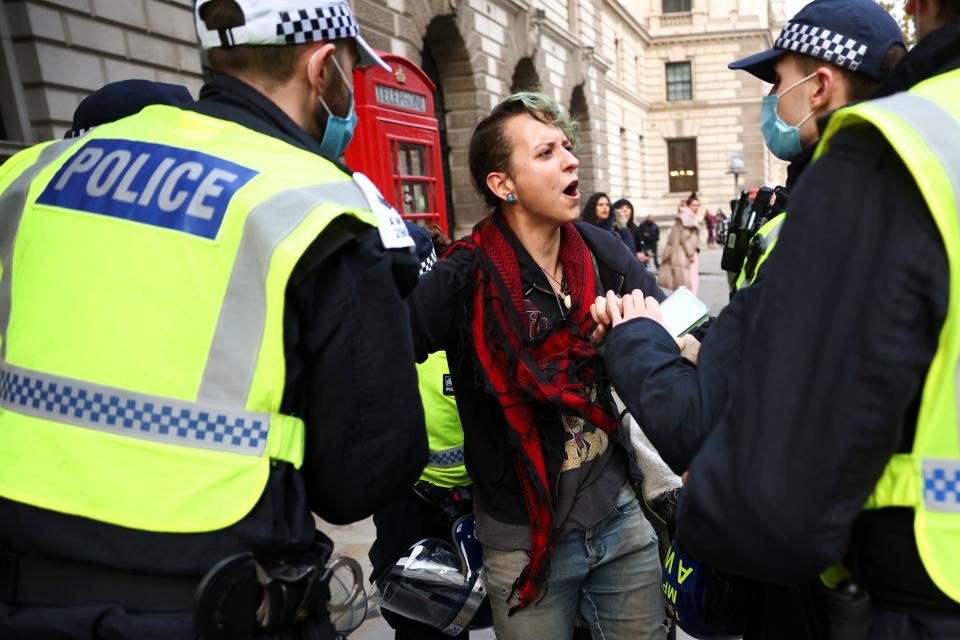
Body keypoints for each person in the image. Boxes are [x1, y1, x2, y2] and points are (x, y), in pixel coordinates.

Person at [0, 1, 428, 637]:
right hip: (214, 601)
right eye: (345, 70)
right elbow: (364, 475)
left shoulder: (28, 174)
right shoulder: (315, 203)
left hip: (21, 589)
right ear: (319, 68)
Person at [599, 0, 960, 637]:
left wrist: (636, 339)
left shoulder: (878, 160)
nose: (773, 103)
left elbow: (721, 443)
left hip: (893, 584)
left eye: (778, 82)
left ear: (820, 86)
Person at [407, 92, 666, 640]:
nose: (571, 160)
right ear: (504, 185)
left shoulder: (601, 251)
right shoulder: (466, 274)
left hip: (618, 519)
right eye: (546, 152)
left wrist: (631, 333)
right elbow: (383, 355)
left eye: (567, 147)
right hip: (520, 545)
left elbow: (679, 329)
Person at [369, 222, 475, 639]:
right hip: (408, 504)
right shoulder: (379, 342)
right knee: (414, 617)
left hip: (472, 505)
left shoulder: (458, 335)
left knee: (460, 614)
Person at [657, 193, 700, 293]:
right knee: (686, 281)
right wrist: (690, 253)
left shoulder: (686, 216)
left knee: (684, 281)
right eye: (694, 205)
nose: (696, 208)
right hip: (684, 253)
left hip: (682, 252)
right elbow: (684, 237)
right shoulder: (686, 217)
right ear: (688, 205)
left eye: (698, 205)